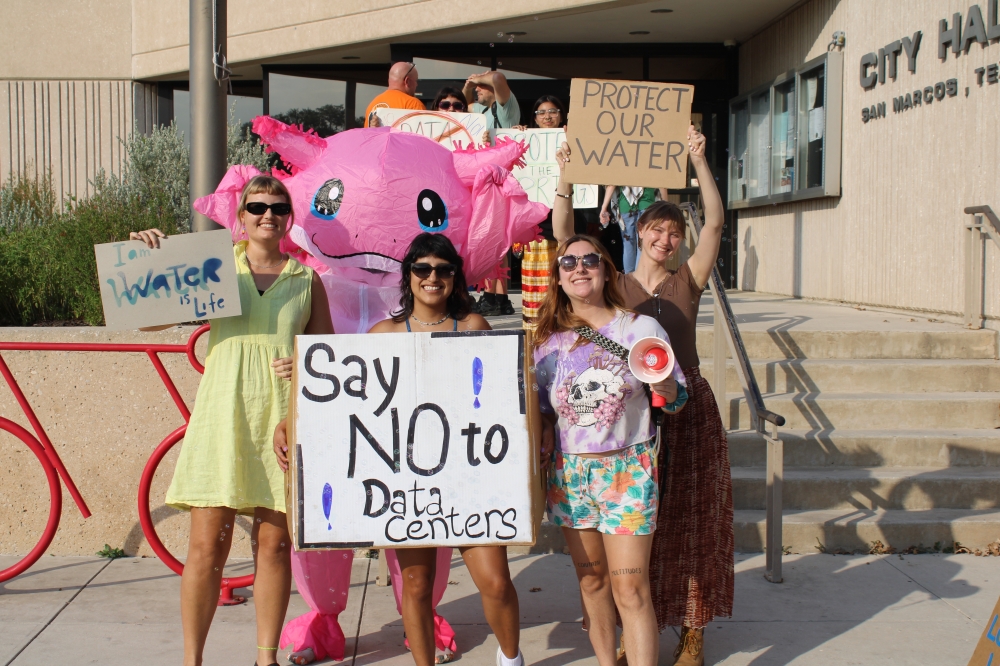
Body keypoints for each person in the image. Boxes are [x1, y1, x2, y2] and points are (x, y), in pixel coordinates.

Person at [274, 233, 524, 666]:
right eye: (422, 269)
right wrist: (291, 413)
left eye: (444, 269)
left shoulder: (473, 326)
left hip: (469, 477)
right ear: (408, 277)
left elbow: (501, 398)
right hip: (407, 479)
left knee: (496, 581)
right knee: (415, 584)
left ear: (455, 277)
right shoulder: (383, 333)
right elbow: (347, 397)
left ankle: (511, 657)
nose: (433, 277)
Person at [130, 175, 335, 666]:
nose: (269, 214)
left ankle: (265, 659)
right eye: (258, 206)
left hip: (282, 418)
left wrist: (301, 363)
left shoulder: (307, 279)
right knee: (205, 548)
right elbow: (149, 316)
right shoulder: (216, 267)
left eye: (279, 206)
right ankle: (192, 660)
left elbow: (327, 356)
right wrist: (149, 258)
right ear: (240, 216)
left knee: (274, 544)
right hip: (224, 415)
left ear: (290, 216)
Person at [552, 126, 731, 666]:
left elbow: (717, 223)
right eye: (656, 228)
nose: (666, 239)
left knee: (693, 522)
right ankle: (633, 629)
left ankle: (692, 629)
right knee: (633, 533)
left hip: (684, 407)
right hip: (623, 420)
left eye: (674, 231)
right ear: (638, 230)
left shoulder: (689, 280)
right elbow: (564, 240)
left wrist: (699, 161)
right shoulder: (615, 287)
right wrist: (566, 173)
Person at [533, 234, 680, 666]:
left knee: (631, 589)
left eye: (590, 259)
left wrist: (668, 389)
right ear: (558, 278)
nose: (580, 267)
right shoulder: (547, 342)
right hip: (571, 476)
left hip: (627, 472)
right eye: (569, 262)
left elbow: (676, 398)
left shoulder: (640, 330)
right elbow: (542, 411)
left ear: (607, 270)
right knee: (592, 583)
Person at [463, 70, 521, 316]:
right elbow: (464, 102)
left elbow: (497, 78)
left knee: (493, 241)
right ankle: (500, 298)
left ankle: (493, 297)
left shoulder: (505, 109)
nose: (478, 89)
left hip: (501, 183)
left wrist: (480, 77)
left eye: (481, 86)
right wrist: (469, 85)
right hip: (485, 183)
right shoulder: (481, 113)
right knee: (493, 242)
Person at [599, 185, 669, 275]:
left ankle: (629, 280)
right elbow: (662, 182)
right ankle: (639, 279)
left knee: (628, 245)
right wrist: (666, 205)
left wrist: (604, 207)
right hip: (647, 202)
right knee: (643, 244)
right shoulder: (653, 169)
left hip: (626, 204)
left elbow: (612, 183)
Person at [365, 61, 426, 127]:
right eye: (416, 81)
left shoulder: (372, 105)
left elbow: (367, 136)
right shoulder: (413, 104)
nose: (416, 84)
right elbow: (422, 135)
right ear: (407, 81)